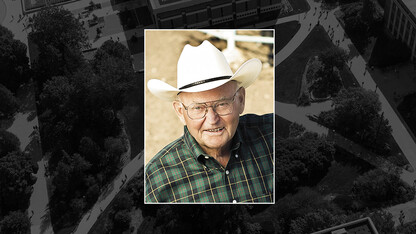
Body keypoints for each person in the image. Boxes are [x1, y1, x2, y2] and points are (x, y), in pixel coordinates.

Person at [145, 40, 274, 203]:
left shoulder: (274, 135)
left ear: (240, 100)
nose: (212, 120)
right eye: (198, 108)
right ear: (180, 112)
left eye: (222, 104)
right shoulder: (157, 181)